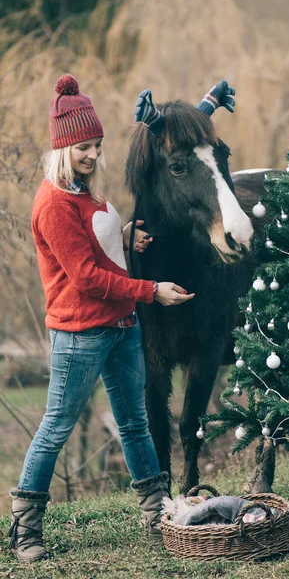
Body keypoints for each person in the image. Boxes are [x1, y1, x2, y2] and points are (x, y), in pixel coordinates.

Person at [7, 74, 194, 563]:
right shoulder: (53, 203)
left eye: (96, 144)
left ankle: (155, 514)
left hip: (120, 327)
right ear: (62, 147)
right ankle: (26, 528)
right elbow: (87, 277)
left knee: (133, 423)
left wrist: (125, 236)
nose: (92, 154)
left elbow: (96, 248)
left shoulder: (84, 191)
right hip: (80, 334)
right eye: (83, 146)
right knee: (56, 426)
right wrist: (150, 291)